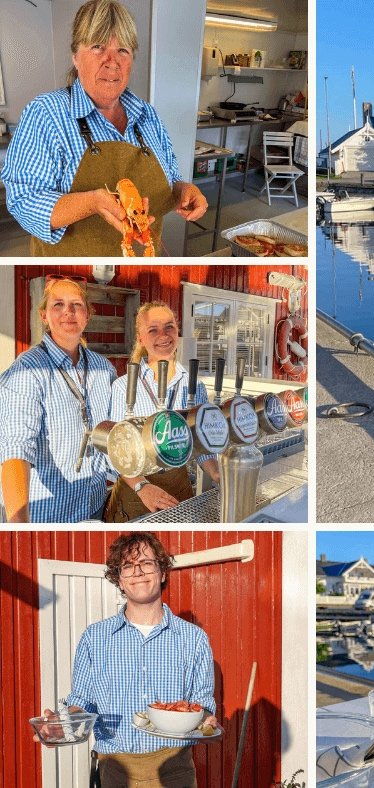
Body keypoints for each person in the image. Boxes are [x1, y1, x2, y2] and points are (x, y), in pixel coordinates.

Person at [0, 0, 208, 256]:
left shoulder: (148, 115)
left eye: (123, 50)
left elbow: (172, 177)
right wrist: (92, 202)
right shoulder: (46, 113)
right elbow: (22, 201)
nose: (112, 62)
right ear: (75, 56)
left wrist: (184, 190)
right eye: (98, 47)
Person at [33, 532, 219, 786]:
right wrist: (62, 724)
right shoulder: (94, 638)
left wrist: (206, 717)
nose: (138, 572)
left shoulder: (193, 638)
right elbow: (82, 702)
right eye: (128, 566)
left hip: (174, 770)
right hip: (115, 771)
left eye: (146, 563)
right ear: (119, 580)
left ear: (163, 572)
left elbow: (202, 703)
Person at [0, 276, 116, 522]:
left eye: (77, 305)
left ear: (88, 314)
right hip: (47, 514)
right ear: (44, 316)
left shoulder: (103, 368)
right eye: (58, 305)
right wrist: (19, 525)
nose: (68, 312)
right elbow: (15, 450)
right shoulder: (28, 370)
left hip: (93, 504)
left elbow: (114, 432)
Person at [104, 301, 220, 522]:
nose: (163, 335)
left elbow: (200, 443)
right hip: (136, 492)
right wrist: (142, 486)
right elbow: (114, 451)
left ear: (177, 331)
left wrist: (217, 474)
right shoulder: (123, 386)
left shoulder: (194, 385)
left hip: (179, 489)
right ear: (140, 338)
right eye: (153, 330)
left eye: (169, 327)